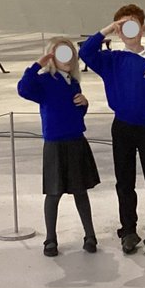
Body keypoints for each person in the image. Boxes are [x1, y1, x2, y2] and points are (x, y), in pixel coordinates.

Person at [79, 4, 145, 254]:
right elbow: (86, 52)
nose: (128, 30)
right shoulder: (112, 61)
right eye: (123, 27)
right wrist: (108, 30)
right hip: (122, 127)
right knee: (125, 181)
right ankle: (129, 230)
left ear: (143, 28)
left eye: (133, 25)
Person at [16, 38, 99, 256]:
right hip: (55, 143)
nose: (66, 59)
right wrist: (37, 65)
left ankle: (90, 235)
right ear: (52, 57)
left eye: (69, 54)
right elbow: (23, 89)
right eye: (61, 54)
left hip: (75, 140)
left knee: (81, 191)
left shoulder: (73, 83)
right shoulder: (44, 81)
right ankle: (50, 239)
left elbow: (76, 112)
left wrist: (84, 104)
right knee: (53, 193)